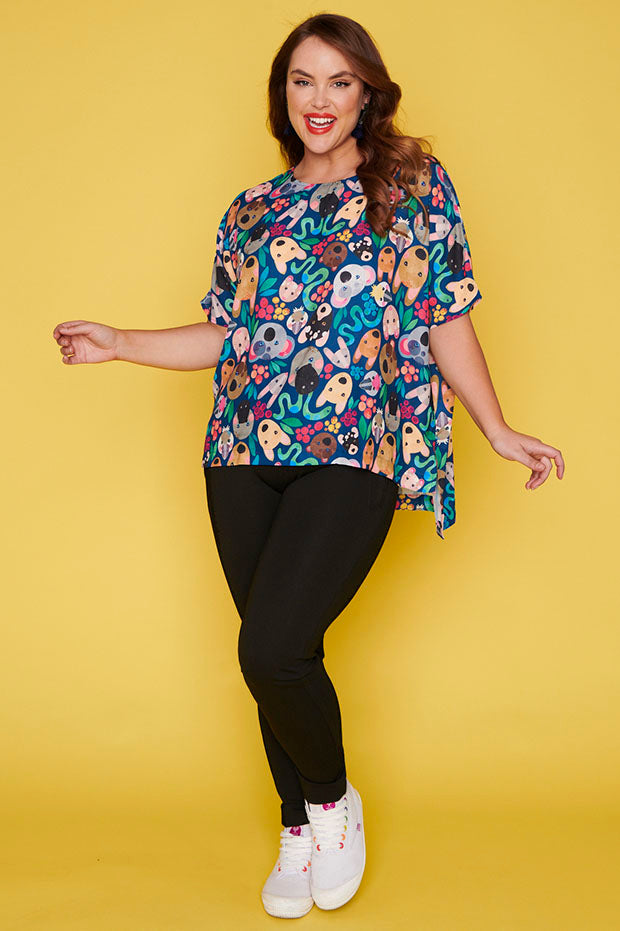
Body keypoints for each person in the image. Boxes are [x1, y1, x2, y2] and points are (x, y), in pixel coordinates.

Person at [52, 12, 565, 920]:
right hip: (240, 450)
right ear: (282, 93)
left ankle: (330, 803)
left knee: (271, 645)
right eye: (302, 80)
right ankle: (297, 828)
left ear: (368, 94)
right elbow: (231, 334)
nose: (319, 99)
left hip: (355, 445)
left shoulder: (408, 185)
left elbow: (444, 312)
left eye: (339, 81)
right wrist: (120, 341)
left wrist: (494, 427)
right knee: (274, 653)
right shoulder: (251, 210)